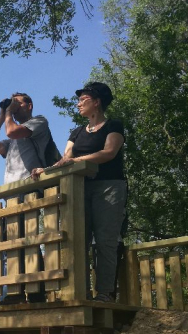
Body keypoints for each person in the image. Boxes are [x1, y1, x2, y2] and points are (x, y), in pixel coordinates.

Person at [32, 82, 126, 302]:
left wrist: (77, 160)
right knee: (78, 240)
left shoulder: (114, 125)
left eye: (83, 99)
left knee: (105, 240)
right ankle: (80, 292)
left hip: (109, 186)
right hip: (80, 187)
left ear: (97, 101)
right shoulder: (76, 132)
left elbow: (109, 152)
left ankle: (105, 293)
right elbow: (65, 160)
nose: (78, 104)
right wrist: (45, 169)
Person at [0, 92, 53, 184]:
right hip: (12, 193)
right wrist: (1, 119)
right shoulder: (11, 142)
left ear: (29, 106)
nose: (14, 107)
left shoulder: (40, 121)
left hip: (34, 189)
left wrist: (9, 112)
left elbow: (12, 132)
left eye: (18, 103)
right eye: (13, 104)